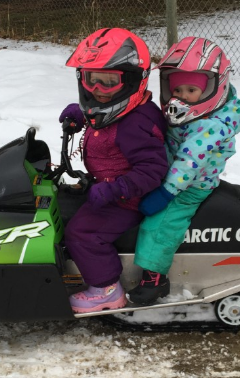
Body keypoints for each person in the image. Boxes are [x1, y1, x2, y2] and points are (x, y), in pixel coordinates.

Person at [126, 36, 240, 305]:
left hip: (189, 186)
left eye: (191, 91)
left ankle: (155, 278)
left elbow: (189, 161)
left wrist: (167, 193)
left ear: (214, 89)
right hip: (169, 174)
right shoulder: (190, 113)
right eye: (176, 90)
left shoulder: (210, 125)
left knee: (161, 224)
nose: (181, 97)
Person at [58, 28, 168, 314]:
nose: (97, 90)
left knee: (83, 233)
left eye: (109, 82)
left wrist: (115, 189)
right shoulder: (119, 109)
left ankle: (106, 290)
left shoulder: (137, 124)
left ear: (133, 82)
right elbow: (105, 115)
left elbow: (152, 169)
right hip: (107, 187)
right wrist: (82, 114)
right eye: (91, 80)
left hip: (127, 199)